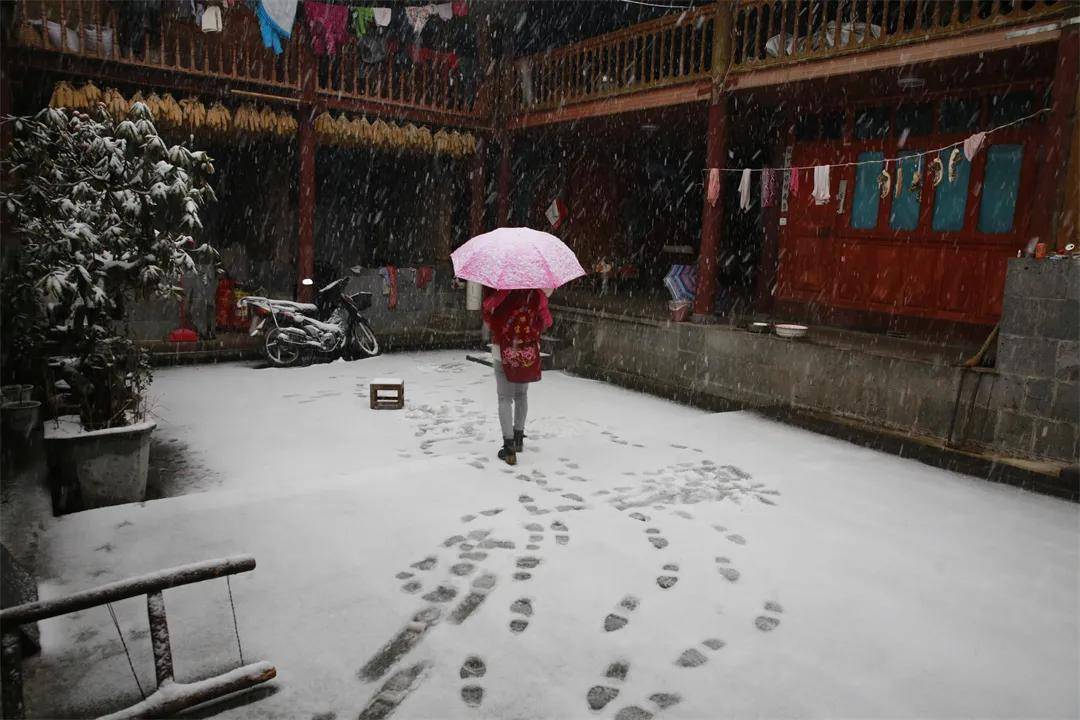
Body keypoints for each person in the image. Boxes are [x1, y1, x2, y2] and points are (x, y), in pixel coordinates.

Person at [482, 287, 554, 466]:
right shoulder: (536, 294)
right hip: (527, 351)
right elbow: (547, 321)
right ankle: (518, 438)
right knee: (522, 395)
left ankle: (508, 448)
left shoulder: (500, 292)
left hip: (503, 349)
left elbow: (488, 315)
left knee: (505, 398)